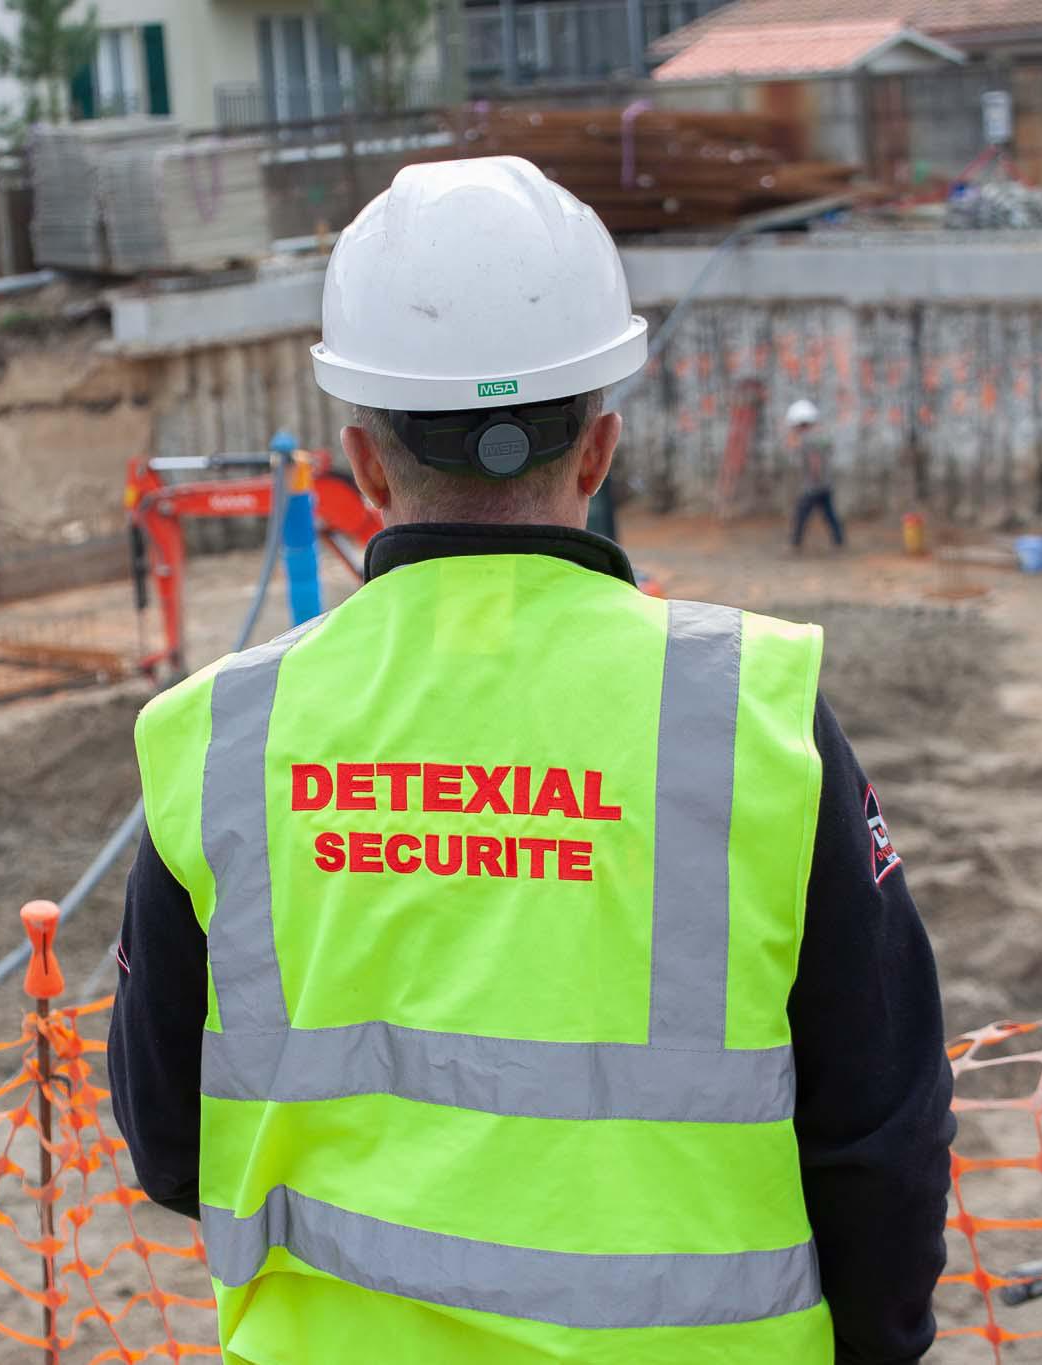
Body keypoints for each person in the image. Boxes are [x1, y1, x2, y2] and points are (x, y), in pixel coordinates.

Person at [109, 158, 953, 1365]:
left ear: (361, 462)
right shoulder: (751, 717)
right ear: (600, 449)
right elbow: (883, 1134)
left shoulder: (219, 738)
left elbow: (170, 1146)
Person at [789, 398, 846, 550]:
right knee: (829, 514)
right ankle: (839, 541)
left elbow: (814, 460)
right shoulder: (821, 436)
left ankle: (795, 543)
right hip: (826, 483)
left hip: (814, 485)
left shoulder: (807, 438)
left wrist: (815, 477)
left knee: (802, 514)